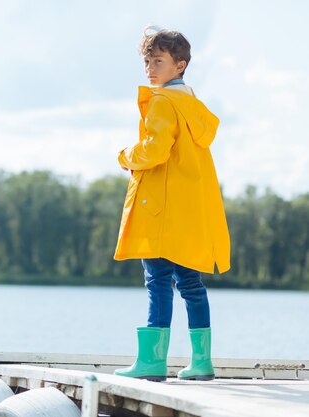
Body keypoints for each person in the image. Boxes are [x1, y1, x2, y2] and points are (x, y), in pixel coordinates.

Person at [112, 26, 231, 382]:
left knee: (158, 281)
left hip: (161, 212)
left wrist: (125, 156)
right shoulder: (193, 106)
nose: (150, 68)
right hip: (189, 213)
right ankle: (201, 363)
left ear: (179, 65)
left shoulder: (163, 102)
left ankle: (151, 362)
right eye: (148, 61)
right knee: (192, 286)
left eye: (159, 61)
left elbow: (155, 150)